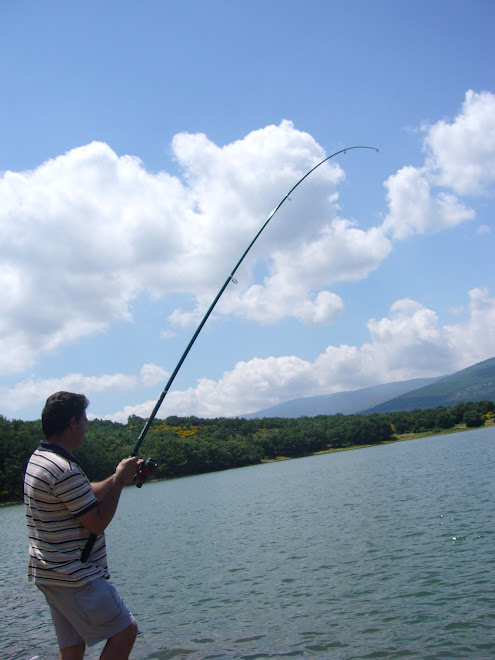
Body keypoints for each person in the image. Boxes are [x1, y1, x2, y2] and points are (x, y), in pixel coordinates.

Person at [24, 391, 140, 660]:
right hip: (72, 575)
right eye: (85, 421)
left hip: (50, 572)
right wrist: (121, 481)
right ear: (73, 422)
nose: (87, 428)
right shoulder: (63, 469)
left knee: (73, 649)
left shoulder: (41, 459)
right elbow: (97, 523)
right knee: (125, 631)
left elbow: (83, 493)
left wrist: (115, 477)